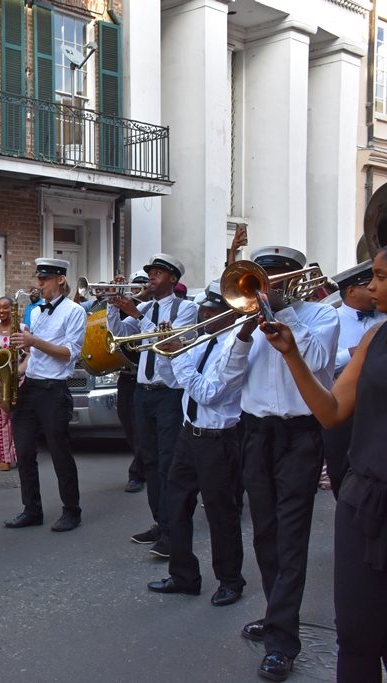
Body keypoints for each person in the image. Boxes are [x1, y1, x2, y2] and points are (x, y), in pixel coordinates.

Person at [262, 246, 387, 682]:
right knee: (354, 635)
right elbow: (332, 411)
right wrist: (291, 354)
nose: (370, 287)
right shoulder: (374, 339)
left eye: (381, 277)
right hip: (363, 497)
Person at [217, 246, 339, 682]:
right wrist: (245, 334)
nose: (263, 286)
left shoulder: (322, 316)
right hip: (254, 432)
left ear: (293, 280)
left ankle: (282, 642)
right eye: (258, 278)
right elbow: (228, 380)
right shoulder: (243, 321)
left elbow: (319, 361)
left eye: (272, 278)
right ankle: (277, 618)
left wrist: (283, 316)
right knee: (265, 534)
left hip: (299, 436)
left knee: (290, 537)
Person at [146, 281, 247, 606]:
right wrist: (166, 353)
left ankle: (231, 580)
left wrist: (178, 356)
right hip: (189, 435)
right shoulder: (203, 338)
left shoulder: (235, 347)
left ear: (229, 314)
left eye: (210, 310)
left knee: (221, 513)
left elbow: (207, 393)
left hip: (219, 440)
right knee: (175, 505)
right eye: (202, 308)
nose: (202, 314)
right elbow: (176, 381)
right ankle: (184, 576)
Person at [108, 253, 198, 558]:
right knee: (149, 460)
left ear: (173, 278)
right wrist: (113, 306)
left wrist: (134, 310)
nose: (152, 277)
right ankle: (161, 522)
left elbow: (166, 337)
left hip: (169, 393)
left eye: (158, 273)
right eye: (150, 273)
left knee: (168, 461)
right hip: (143, 391)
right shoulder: (144, 306)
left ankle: (175, 531)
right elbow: (120, 336)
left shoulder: (187, 308)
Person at [4, 259, 87, 531]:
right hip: (32, 387)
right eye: (39, 278)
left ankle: (71, 510)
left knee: (60, 452)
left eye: (45, 279)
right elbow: (35, 354)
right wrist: (17, 369)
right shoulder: (38, 312)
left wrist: (33, 341)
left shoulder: (74, 311)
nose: (39, 283)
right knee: (25, 452)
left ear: (61, 280)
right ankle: (32, 510)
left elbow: (68, 354)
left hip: (54, 391)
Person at [322, 260, 385, 497]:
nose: (372, 288)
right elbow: (322, 362)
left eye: (379, 279)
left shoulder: (381, 319)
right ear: (351, 291)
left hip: (374, 407)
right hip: (341, 401)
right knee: (341, 472)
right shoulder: (331, 317)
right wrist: (351, 354)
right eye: (369, 282)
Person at [118, 270, 150, 494]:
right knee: (127, 423)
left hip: (145, 375)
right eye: (134, 286)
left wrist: (136, 311)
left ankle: (138, 472)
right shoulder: (125, 311)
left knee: (141, 428)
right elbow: (114, 330)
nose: (138, 290)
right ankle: (143, 464)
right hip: (126, 373)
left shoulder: (151, 310)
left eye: (142, 286)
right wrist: (114, 302)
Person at [0, 295, 24, 472]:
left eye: (5, 307)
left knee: (18, 419)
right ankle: (4, 457)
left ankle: (19, 454)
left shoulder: (22, 328)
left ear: (12, 309)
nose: (1, 311)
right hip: (0, 379)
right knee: (2, 419)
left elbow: (31, 353)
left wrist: (20, 371)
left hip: (19, 379)